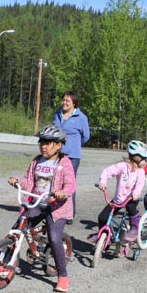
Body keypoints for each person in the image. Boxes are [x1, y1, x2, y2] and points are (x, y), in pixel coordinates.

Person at [8, 125, 75, 292]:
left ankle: (63, 276)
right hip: (37, 202)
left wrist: (62, 193)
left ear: (59, 145)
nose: (43, 146)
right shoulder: (37, 160)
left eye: (48, 143)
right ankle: (6, 262)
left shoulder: (64, 163)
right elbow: (28, 180)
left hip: (57, 207)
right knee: (17, 229)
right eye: (41, 142)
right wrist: (18, 182)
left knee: (54, 237)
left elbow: (70, 185)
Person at [96, 140, 147, 248]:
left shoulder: (140, 171)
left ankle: (134, 228)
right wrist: (103, 181)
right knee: (102, 217)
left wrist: (136, 193)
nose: (146, 161)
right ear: (136, 157)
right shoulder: (122, 166)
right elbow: (107, 171)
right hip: (119, 199)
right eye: (144, 159)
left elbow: (140, 184)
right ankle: (105, 237)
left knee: (131, 208)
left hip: (131, 198)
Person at [53, 91, 90, 224]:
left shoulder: (81, 117)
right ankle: (55, 209)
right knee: (55, 181)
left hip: (72, 156)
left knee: (68, 183)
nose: (64, 102)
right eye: (63, 100)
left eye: (67, 101)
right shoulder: (57, 113)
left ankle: (69, 213)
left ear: (74, 103)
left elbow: (86, 136)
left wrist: (73, 145)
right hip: (57, 153)